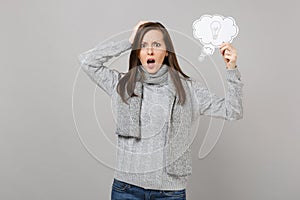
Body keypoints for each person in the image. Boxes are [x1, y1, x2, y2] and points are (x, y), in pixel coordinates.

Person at [78, 21, 243, 200]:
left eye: (156, 45)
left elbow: (232, 110)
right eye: (143, 45)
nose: (150, 51)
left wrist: (231, 68)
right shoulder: (123, 85)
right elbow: (88, 62)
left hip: (169, 193)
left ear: (166, 52)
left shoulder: (188, 90)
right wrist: (129, 41)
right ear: (138, 53)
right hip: (126, 189)